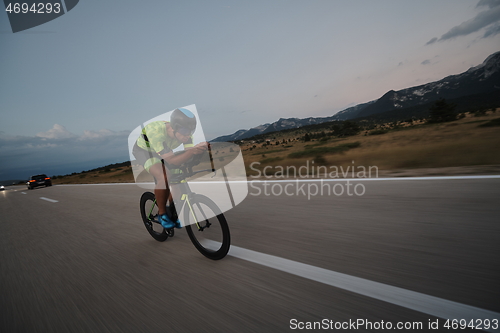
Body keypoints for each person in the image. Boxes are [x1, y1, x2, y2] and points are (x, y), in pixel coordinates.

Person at [132, 108, 209, 229]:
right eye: (184, 130)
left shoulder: (186, 135)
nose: (187, 135)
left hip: (164, 151)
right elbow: (172, 160)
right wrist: (192, 152)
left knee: (178, 180)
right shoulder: (156, 132)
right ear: (174, 127)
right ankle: (162, 214)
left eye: (191, 131)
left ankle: (172, 211)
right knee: (164, 176)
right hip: (145, 151)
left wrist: (200, 151)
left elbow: (188, 156)